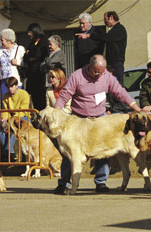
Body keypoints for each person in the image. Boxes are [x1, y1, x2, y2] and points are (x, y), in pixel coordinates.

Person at [53, 54, 141, 194]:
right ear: (90, 67)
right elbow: (65, 95)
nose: (100, 75)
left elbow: (120, 92)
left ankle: (101, 182)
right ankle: (64, 183)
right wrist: (55, 112)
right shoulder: (77, 76)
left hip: (99, 119)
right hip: (79, 120)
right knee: (69, 152)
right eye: (97, 72)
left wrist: (137, 109)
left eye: (102, 71)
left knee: (102, 150)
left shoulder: (106, 76)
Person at [76, 11, 127, 84]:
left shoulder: (119, 29)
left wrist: (89, 35)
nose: (104, 21)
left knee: (117, 85)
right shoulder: (113, 30)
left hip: (116, 63)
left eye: (105, 19)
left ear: (111, 17)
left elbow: (106, 38)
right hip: (110, 63)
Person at [0, 76, 31, 162]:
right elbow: (5, 110)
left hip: (23, 117)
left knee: (13, 129)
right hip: (11, 118)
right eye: (8, 87)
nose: (10, 89)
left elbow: (23, 110)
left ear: (17, 85)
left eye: (12, 86)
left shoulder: (24, 94)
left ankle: (7, 151)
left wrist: (10, 121)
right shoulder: (6, 96)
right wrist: (5, 119)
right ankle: (8, 152)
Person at [24, 23, 48, 111]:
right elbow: (25, 57)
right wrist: (31, 57)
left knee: (40, 101)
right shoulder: (31, 43)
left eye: (30, 32)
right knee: (30, 98)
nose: (28, 34)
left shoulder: (43, 41)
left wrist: (32, 57)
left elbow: (40, 55)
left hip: (39, 75)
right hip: (31, 75)